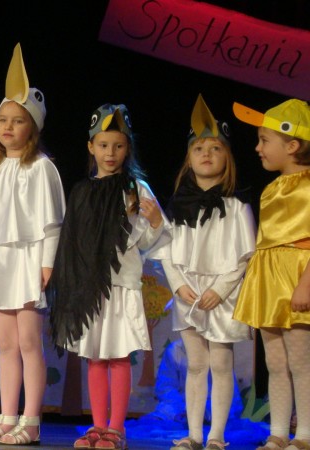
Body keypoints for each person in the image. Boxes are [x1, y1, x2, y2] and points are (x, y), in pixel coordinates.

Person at [49, 103, 170, 450]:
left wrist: (156, 221)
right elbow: (73, 242)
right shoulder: (82, 191)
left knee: (118, 355)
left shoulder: (135, 188)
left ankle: (117, 428)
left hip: (120, 284)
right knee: (95, 356)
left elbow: (146, 241)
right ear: (91, 147)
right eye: (103, 145)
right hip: (89, 289)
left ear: (127, 148)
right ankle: (98, 425)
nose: (110, 153)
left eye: (118, 146)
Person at [149, 95, 256, 450]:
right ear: (188, 157)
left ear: (228, 157)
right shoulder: (178, 205)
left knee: (221, 363)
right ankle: (194, 434)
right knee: (196, 363)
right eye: (198, 148)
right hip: (189, 292)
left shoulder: (237, 206)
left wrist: (221, 290)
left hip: (222, 294)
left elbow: (245, 257)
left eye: (215, 148)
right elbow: (166, 250)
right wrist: (179, 286)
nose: (206, 154)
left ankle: (216, 436)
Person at [0, 44, 66, 446]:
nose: (8, 127)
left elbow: (52, 223)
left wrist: (46, 265)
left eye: (18, 121)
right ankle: (7, 415)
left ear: (33, 128)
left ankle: (31, 421)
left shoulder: (41, 168)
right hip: (2, 260)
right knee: (5, 344)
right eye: (3, 120)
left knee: (29, 342)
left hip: (28, 260)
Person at [231, 98, 310, 450]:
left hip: (298, 280)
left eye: (264, 140)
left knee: (301, 361)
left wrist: (306, 284)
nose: (257, 148)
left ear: (292, 146)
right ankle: (278, 432)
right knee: (275, 362)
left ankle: (305, 434)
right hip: (269, 281)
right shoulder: (271, 188)